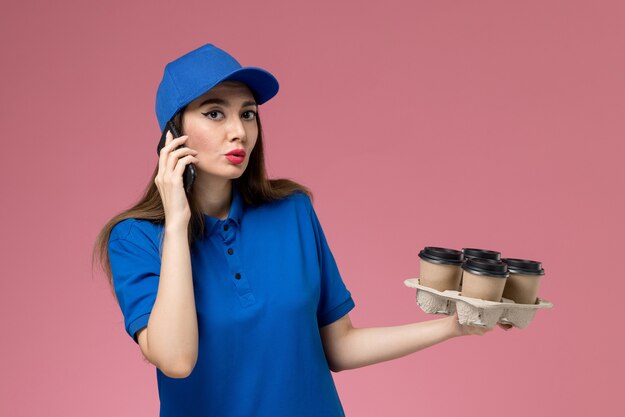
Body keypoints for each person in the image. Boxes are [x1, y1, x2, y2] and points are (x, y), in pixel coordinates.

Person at [92, 43, 510, 417]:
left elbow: (338, 346)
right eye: (214, 112)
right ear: (174, 134)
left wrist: (456, 325)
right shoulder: (134, 239)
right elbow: (177, 359)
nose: (238, 131)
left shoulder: (292, 212)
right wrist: (178, 223)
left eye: (248, 114)